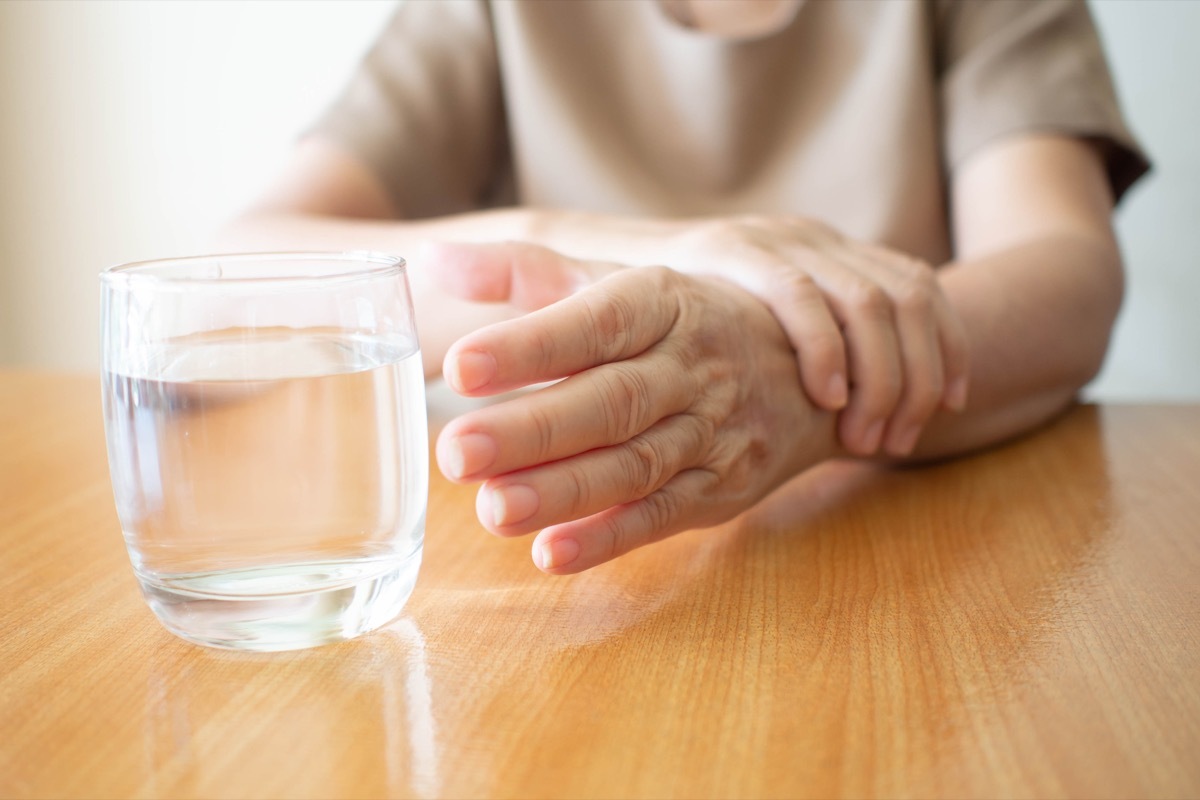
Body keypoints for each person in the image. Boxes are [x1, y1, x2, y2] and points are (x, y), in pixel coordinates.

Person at [222, 0, 1148, 574]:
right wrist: (661, 252)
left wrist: (785, 391)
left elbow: (1068, 277)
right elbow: (250, 271)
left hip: (921, 542)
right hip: (577, 561)